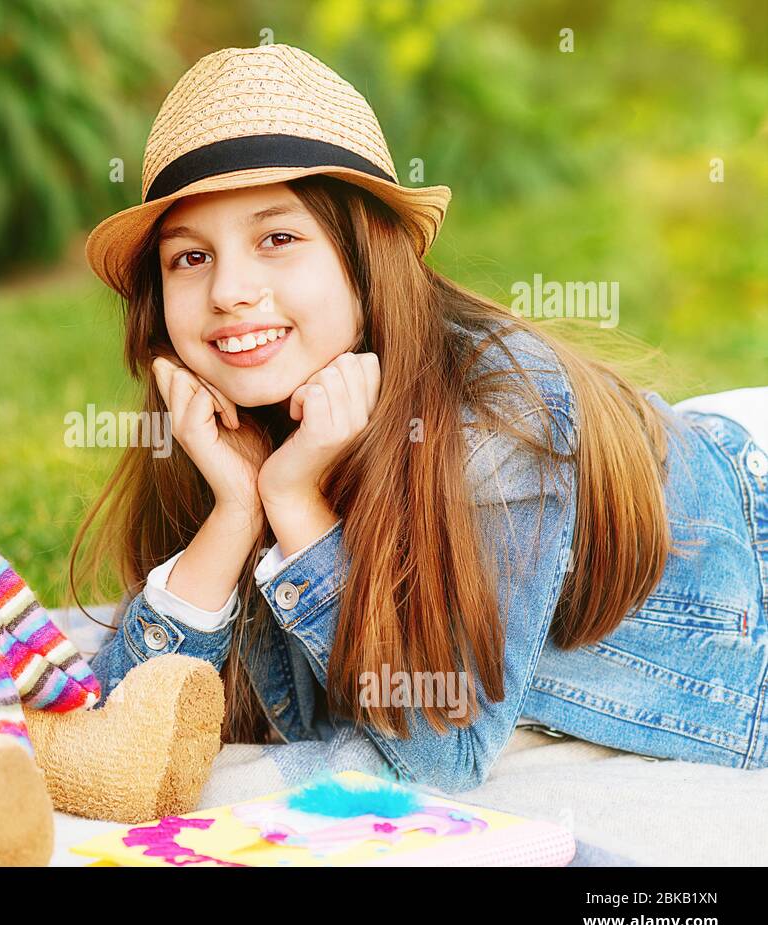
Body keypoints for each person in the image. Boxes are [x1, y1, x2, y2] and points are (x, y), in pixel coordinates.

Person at [69, 43, 768, 792]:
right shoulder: (234, 426)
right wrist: (237, 509)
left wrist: (299, 506)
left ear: (366, 257)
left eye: (278, 238)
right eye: (190, 257)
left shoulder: (503, 424)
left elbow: (443, 754)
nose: (231, 289)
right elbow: (115, 732)